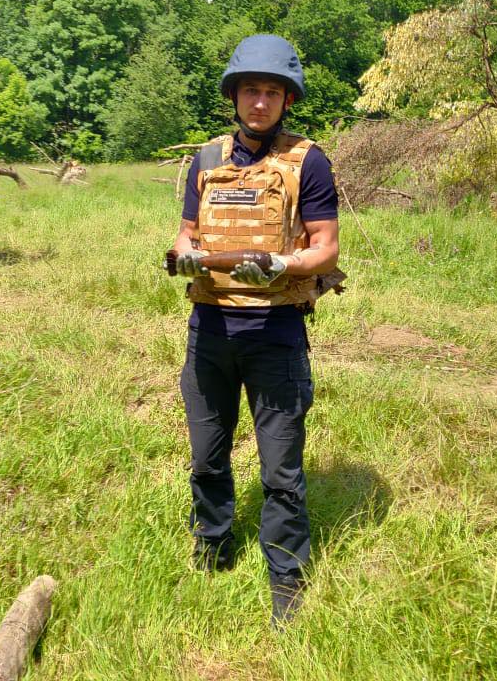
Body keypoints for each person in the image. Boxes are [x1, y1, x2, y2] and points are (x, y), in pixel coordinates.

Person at [170, 34, 343, 627]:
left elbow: (325, 250)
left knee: (281, 472)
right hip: (210, 329)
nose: (261, 102)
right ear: (235, 96)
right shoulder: (208, 158)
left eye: (273, 92)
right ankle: (212, 550)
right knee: (207, 458)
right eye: (251, 90)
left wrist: (281, 265)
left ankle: (286, 579)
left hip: (275, 334)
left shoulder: (308, 161)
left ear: (287, 99)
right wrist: (187, 255)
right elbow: (184, 233)